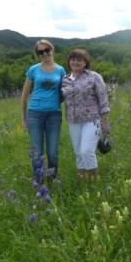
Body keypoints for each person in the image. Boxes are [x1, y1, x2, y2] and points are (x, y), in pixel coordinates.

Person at [20, 40, 66, 183]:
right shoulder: (33, 70)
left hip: (54, 115)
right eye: (41, 52)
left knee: (52, 153)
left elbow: (64, 93)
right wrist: (24, 119)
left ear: (52, 49)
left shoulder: (60, 70)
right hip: (34, 114)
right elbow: (24, 96)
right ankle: (38, 183)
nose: (45, 53)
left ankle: (52, 180)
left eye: (47, 49)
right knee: (37, 153)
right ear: (38, 55)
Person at [61, 48, 110, 180]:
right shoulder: (65, 79)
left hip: (92, 120)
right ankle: (83, 179)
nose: (75, 62)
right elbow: (61, 98)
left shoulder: (93, 77)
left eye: (79, 60)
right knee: (78, 152)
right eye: (73, 59)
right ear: (69, 62)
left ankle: (93, 180)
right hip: (73, 121)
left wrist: (105, 121)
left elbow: (103, 98)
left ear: (85, 62)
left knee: (87, 150)